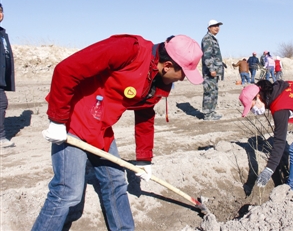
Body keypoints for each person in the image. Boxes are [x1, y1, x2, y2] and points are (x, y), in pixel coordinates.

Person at [32, 34, 204, 231]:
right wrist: (57, 119)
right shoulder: (129, 49)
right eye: (183, 72)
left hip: (100, 128)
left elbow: (145, 114)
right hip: (73, 120)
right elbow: (66, 70)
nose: (183, 78)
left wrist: (144, 159)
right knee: (67, 193)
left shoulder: (159, 81)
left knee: (115, 181)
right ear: (167, 65)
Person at [201, 19, 224, 121]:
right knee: (209, 92)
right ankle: (207, 114)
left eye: (218, 26)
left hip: (214, 71)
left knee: (214, 92)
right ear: (209, 28)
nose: (217, 28)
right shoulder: (207, 39)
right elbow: (207, 56)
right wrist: (211, 69)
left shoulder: (213, 39)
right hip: (209, 72)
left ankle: (212, 112)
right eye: (214, 26)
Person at [0, 3, 15, 148]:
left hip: (1, 77)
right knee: (1, 103)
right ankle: (1, 137)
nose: (0, 14)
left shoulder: (3, 33)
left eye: (1, 11)